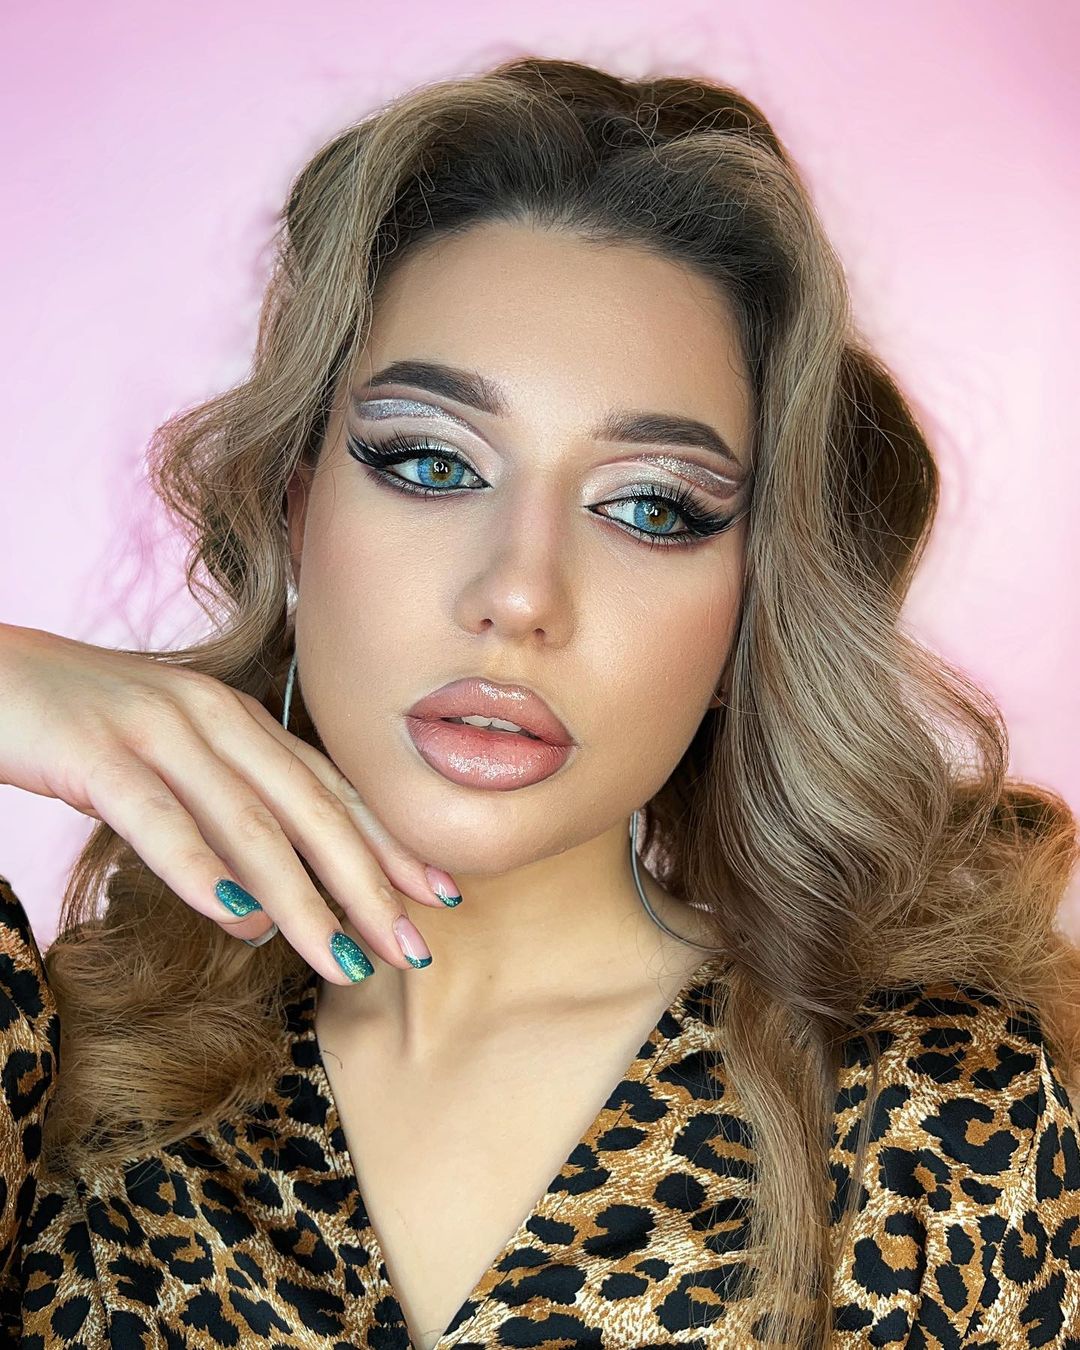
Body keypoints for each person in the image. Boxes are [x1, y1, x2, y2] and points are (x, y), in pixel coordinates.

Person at [0, 54, 1078, 1350]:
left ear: (751, 601)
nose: (519, 595)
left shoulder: (941, 1120)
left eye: (652, 507)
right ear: (296, 514)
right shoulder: (71, 1065)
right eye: (430, 463)